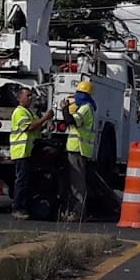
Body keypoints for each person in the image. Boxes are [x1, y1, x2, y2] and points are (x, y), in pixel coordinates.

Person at [9, 87, 53, 220]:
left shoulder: (29, 112)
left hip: (29, 151)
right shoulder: (19, 112)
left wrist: (45, 123)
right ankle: (17, 208)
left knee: (27, 181)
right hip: (21, 151)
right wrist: (45, 117)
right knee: (21, 182)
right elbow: (29, 127)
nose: (30, 98)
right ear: (20, 98)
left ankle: (25, 206)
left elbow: (37, 125)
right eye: (27, 95)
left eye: (31, 96)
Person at [60, 81, 97, 222]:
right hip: (79, 149)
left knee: (77, 184)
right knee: (75, 183)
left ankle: (78, 212)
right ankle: (75, 211)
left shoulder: (85, 108)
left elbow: (72, 121)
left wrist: (65, 108)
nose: (77, 97)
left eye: (79, 94)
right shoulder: (87, 107)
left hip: (78, 149)